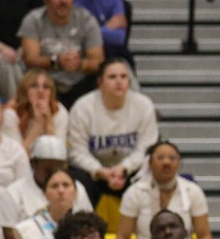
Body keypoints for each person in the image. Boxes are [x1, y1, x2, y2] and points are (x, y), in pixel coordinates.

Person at [116, 140, 212, 239]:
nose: (166, 162)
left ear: (179, 163)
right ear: (149, 163)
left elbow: (203, 235)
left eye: (172, 158)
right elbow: (123, 237)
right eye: (160, 158)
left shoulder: (193, 191)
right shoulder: (134, 192)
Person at [66, 58, 157, 206]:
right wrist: (101, 171)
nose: (119, 81)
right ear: (100, 82)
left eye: (123, 76)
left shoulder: (144, 105)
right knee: (76, 178)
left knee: (152, 172)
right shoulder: (83, 107)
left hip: (130, 172)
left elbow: (146, 148)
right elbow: (76, 152)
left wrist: (124, 168)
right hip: (94, 174)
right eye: (112, 77)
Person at [19, 0, 104, 105]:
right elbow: (30, 58)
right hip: (45, 84)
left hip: (80, 84)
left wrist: (79, 64)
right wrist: (57, 61)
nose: (63, 0)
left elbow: (98, 60)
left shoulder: (86, 20)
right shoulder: (33, 20)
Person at [10, 67, 69, 156]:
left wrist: (48, 124)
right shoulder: (11, 113)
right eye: (34, 86)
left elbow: (58, 156)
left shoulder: (59, 112)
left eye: (46, 87)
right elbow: (15, 158)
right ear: (24, 90)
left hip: (46, 165)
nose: (40, 91)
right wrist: (37, 125)